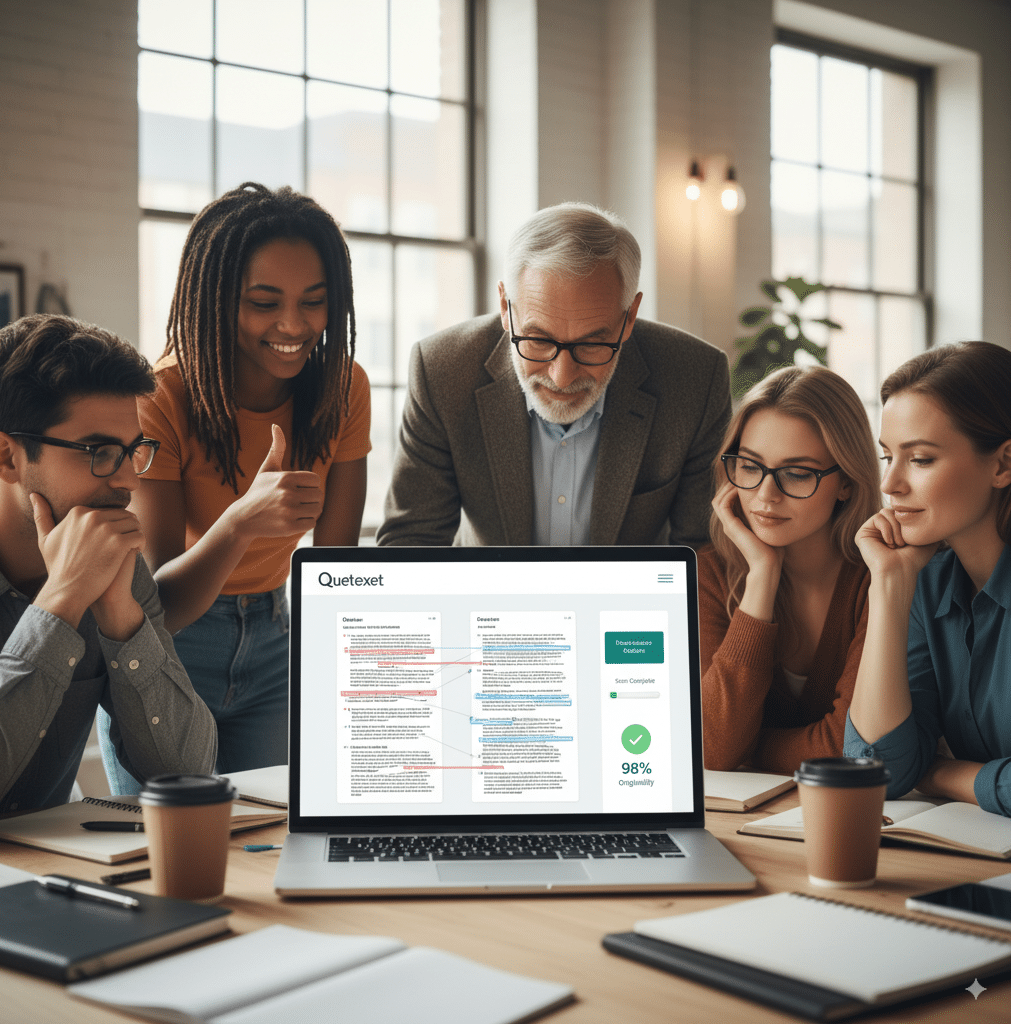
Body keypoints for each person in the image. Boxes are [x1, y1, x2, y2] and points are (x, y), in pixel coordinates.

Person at [100, 182, 370, 791]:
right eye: (264, 302)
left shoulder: (343, 389)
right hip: (167, 646)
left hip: (276, 641)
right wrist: (240, 520)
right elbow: (157, 602)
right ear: (218, 299)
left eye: (315, 300)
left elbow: (338, 567)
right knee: (161, 854)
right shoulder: (160, 397)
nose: (293, 324)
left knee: (269, 840)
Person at [377, 202, 731, 547]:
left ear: (630, 316)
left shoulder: (695, 380)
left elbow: (706, 553)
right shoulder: (442, 371)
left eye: (592, 344)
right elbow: (410, 543)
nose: (562, 377)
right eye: (538, 340)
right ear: (505, 307)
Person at [0, 314, 216, 817]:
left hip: (53, 873)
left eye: (134, 451)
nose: (130, 481)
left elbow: (191, 772)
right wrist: (61, 602)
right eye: (99, 452)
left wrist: (119, 611)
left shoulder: (119, 569)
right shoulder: (76, 575)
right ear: (7, 458)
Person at [846, 341, 1011, 816]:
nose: (890, 484)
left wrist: (941, 773)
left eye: (919, 459)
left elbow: (911, 771)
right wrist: (889, 586)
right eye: (886, 457)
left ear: (1003, 464)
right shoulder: (926, 581)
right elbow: (877, 771)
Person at [700, 366, 880, 773]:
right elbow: (714, 750)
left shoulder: (880, 579)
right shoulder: (709, 577)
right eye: (748, 466)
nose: (765, 496)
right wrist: (762, 577)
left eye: (797, 473)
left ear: (848, 481)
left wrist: (752, 749)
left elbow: (850, 748)